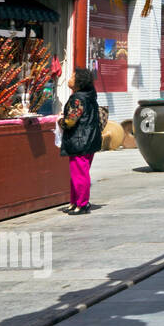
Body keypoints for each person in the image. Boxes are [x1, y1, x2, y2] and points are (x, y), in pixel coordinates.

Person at [59, 67, 101, 215]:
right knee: (77, 174)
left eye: (72, 77)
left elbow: (70, 121)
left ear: (79, 82)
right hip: (90, 139)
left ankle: (82, 204)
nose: (69, 79)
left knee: (79, 174)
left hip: (80, 140)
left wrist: (60, 122)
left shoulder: (78, 99)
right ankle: (74, 202)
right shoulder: (90, 96)